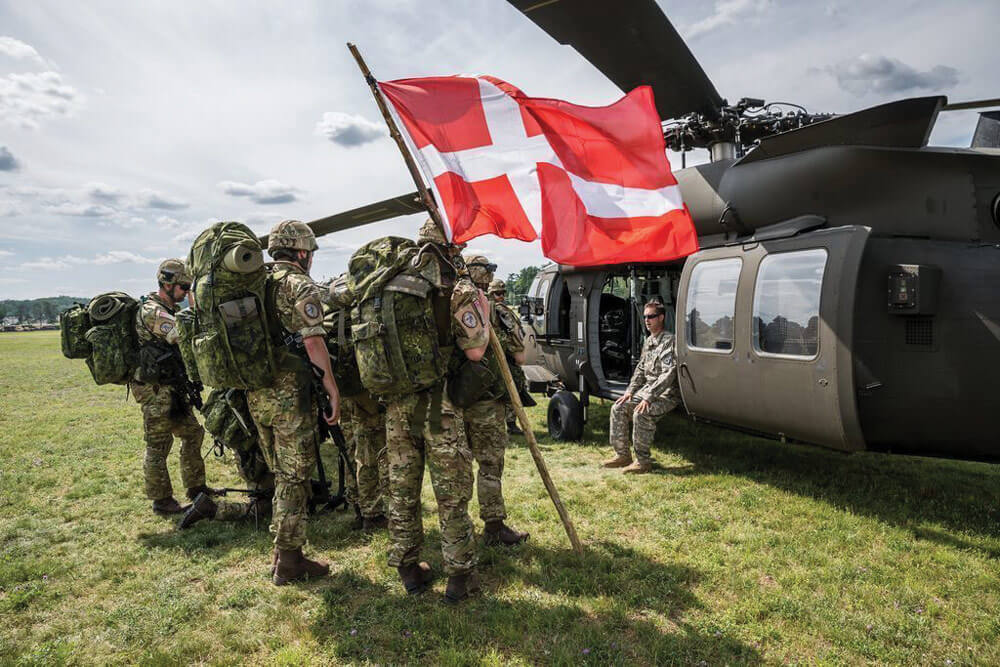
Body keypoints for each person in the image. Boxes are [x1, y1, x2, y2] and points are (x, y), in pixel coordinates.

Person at [382, 219, 490, 604]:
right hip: (436, 404)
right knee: (451, 491)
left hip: (396, 402)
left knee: (402, 489)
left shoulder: (389, 281)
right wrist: (483, 310)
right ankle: (459, 576)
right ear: (452, 248)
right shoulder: (455, 288)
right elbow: (476, 350)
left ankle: (408, 568)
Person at [249, 219, 340, 585]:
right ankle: (289, 559)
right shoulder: (297, 284)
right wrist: (331, 386)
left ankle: (280, 551)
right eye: (311, 253)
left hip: (257, 391)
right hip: (288, 392)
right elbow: (314, 341)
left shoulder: (258, 283)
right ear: (302, 252)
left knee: (281, 471)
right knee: (295, 476)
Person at [132, 259, 213, 515]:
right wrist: (197, 311)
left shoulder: (168, 307)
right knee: (158, 444)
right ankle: (162, 500)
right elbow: (178, 335)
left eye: (189, 286)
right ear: (166, 283)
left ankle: (197, 488)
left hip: (172, 386)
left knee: (192, 433)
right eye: (183, 286)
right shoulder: (152, 311)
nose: (186, 291)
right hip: (155, 389)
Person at [462, 255, 529, 547]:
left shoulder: (451, 304)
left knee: (458, 466)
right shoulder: (496, 312)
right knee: (489, 464)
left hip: (454, 398)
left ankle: (458, 528)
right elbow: (520, 355)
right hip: (487, 400)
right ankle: (493, 526)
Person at [324, 274, 388, 532]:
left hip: (341, 391)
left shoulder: (330, 316)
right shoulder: (364, 314)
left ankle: (357, 505)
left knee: (351, 449)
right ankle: (372, 513)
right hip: (363, 393)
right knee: (369, 453)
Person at [603, 299, 680, 474]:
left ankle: (643, 461)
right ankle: (622, 455)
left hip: (666, 395)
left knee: (641, 412)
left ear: (661, 318)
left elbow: (669, 373)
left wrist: (648, 396)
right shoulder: (649, 341)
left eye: (651, 316)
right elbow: (640, 369)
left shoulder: (669, 341)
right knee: (618, 407)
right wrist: (630, 391)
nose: (647, 320)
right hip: (648, 391)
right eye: (645, 316)